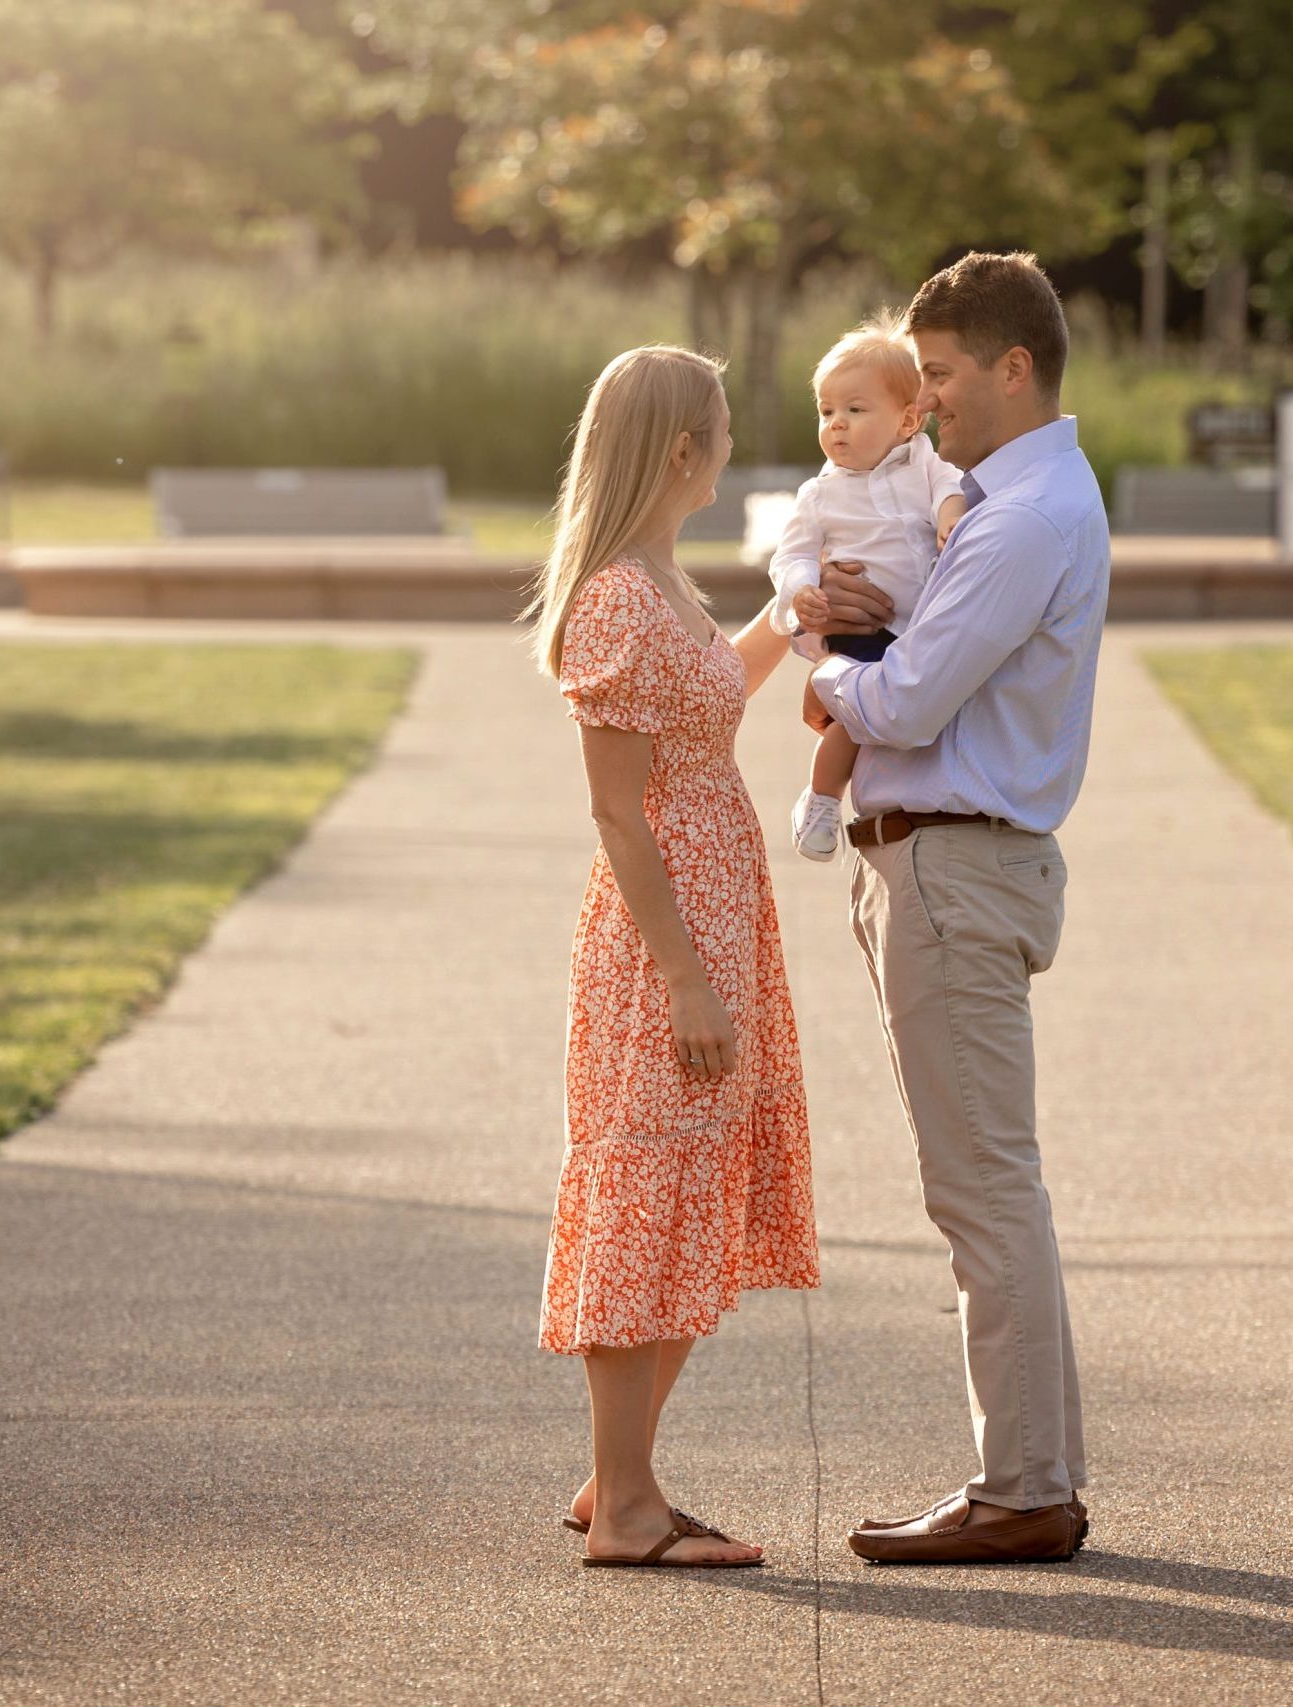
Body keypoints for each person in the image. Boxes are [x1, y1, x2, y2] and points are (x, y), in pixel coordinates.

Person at [797, 252, 1110, 1565]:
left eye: (937, 375)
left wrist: (822, 661)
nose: (924, 400)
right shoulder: (999, 501)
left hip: (954, 865)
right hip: (945, 858)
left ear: (1012, 366)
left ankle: (1020, 1487)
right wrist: (864, 619)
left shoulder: (1025, 512)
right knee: (994, 1186)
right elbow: (925, 666)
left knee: (981, 1189)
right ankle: (1034, 1475)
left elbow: (909, 701)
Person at [528, 344, 821, 1569]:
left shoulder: (659, 583)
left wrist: (784, 623)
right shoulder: (611, 596)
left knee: (693, 1187)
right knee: (647, 1191)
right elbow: (615, 810)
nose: (731, 448)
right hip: (664, 944)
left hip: (713, 916)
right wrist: (688, 975)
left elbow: (706, 704)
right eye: (720, 429)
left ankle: (618, 1482)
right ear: (679, 450)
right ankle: (631, 1506)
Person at [767, 315, 969, 860]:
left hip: (920, 626)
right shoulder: (819, 495)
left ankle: (890, 796)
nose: (836, 424)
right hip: (861, 628)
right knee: (853, 724)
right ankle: (823, 798)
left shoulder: (923, 464)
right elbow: (792, 554)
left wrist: (950, 515)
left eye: (855, 411)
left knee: (913, 711)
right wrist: (804, 589)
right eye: (826, 411)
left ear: (907, 421)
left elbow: (950, 486)